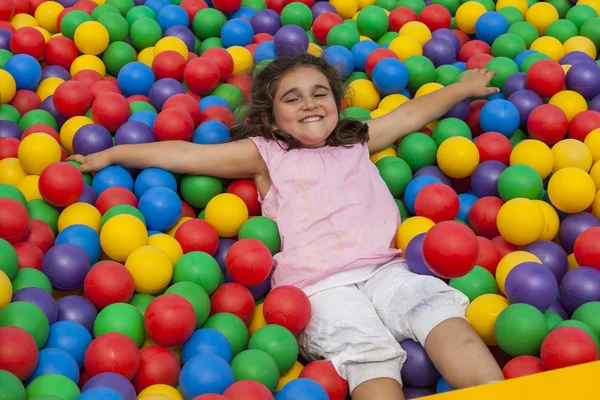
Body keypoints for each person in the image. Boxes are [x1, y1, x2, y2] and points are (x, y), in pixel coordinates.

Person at [70, 53, 504, 399]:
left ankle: (496, 392)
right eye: (292, 98)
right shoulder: (266, 153)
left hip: (386, 269)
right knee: (367, 354)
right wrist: (111, 155)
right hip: (318, 287)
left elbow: (411, 114)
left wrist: (461, 88)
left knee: (435, 309)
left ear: (337, 103)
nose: (309, 103)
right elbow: (185, 154)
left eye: (319, 93)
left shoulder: (357, 138)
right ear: (274, 118)